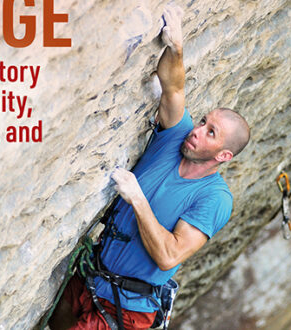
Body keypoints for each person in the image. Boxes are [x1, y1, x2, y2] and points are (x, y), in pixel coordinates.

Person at [48, 6, 250, 330]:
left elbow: (169, 255)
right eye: (203, 122)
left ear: (224, 155)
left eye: (210, 132)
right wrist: (176, 47)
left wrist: (137, 199)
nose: (197, 131)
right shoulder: (175, 139)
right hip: (90, 280)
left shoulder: (215, 199)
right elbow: (173, 88)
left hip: (125, 310)